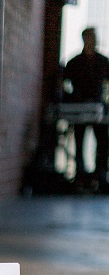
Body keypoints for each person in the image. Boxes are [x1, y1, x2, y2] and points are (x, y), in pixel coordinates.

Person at [64, 27, 109, 185]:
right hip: (79, 108)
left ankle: (101, 175)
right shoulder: (74, 62)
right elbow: (63, 82)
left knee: (103, 143)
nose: (94, 40)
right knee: (79, 141)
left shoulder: (103, 62)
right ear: (85, 39)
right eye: (91, 37)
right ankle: (81, 175)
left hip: (98, 108)